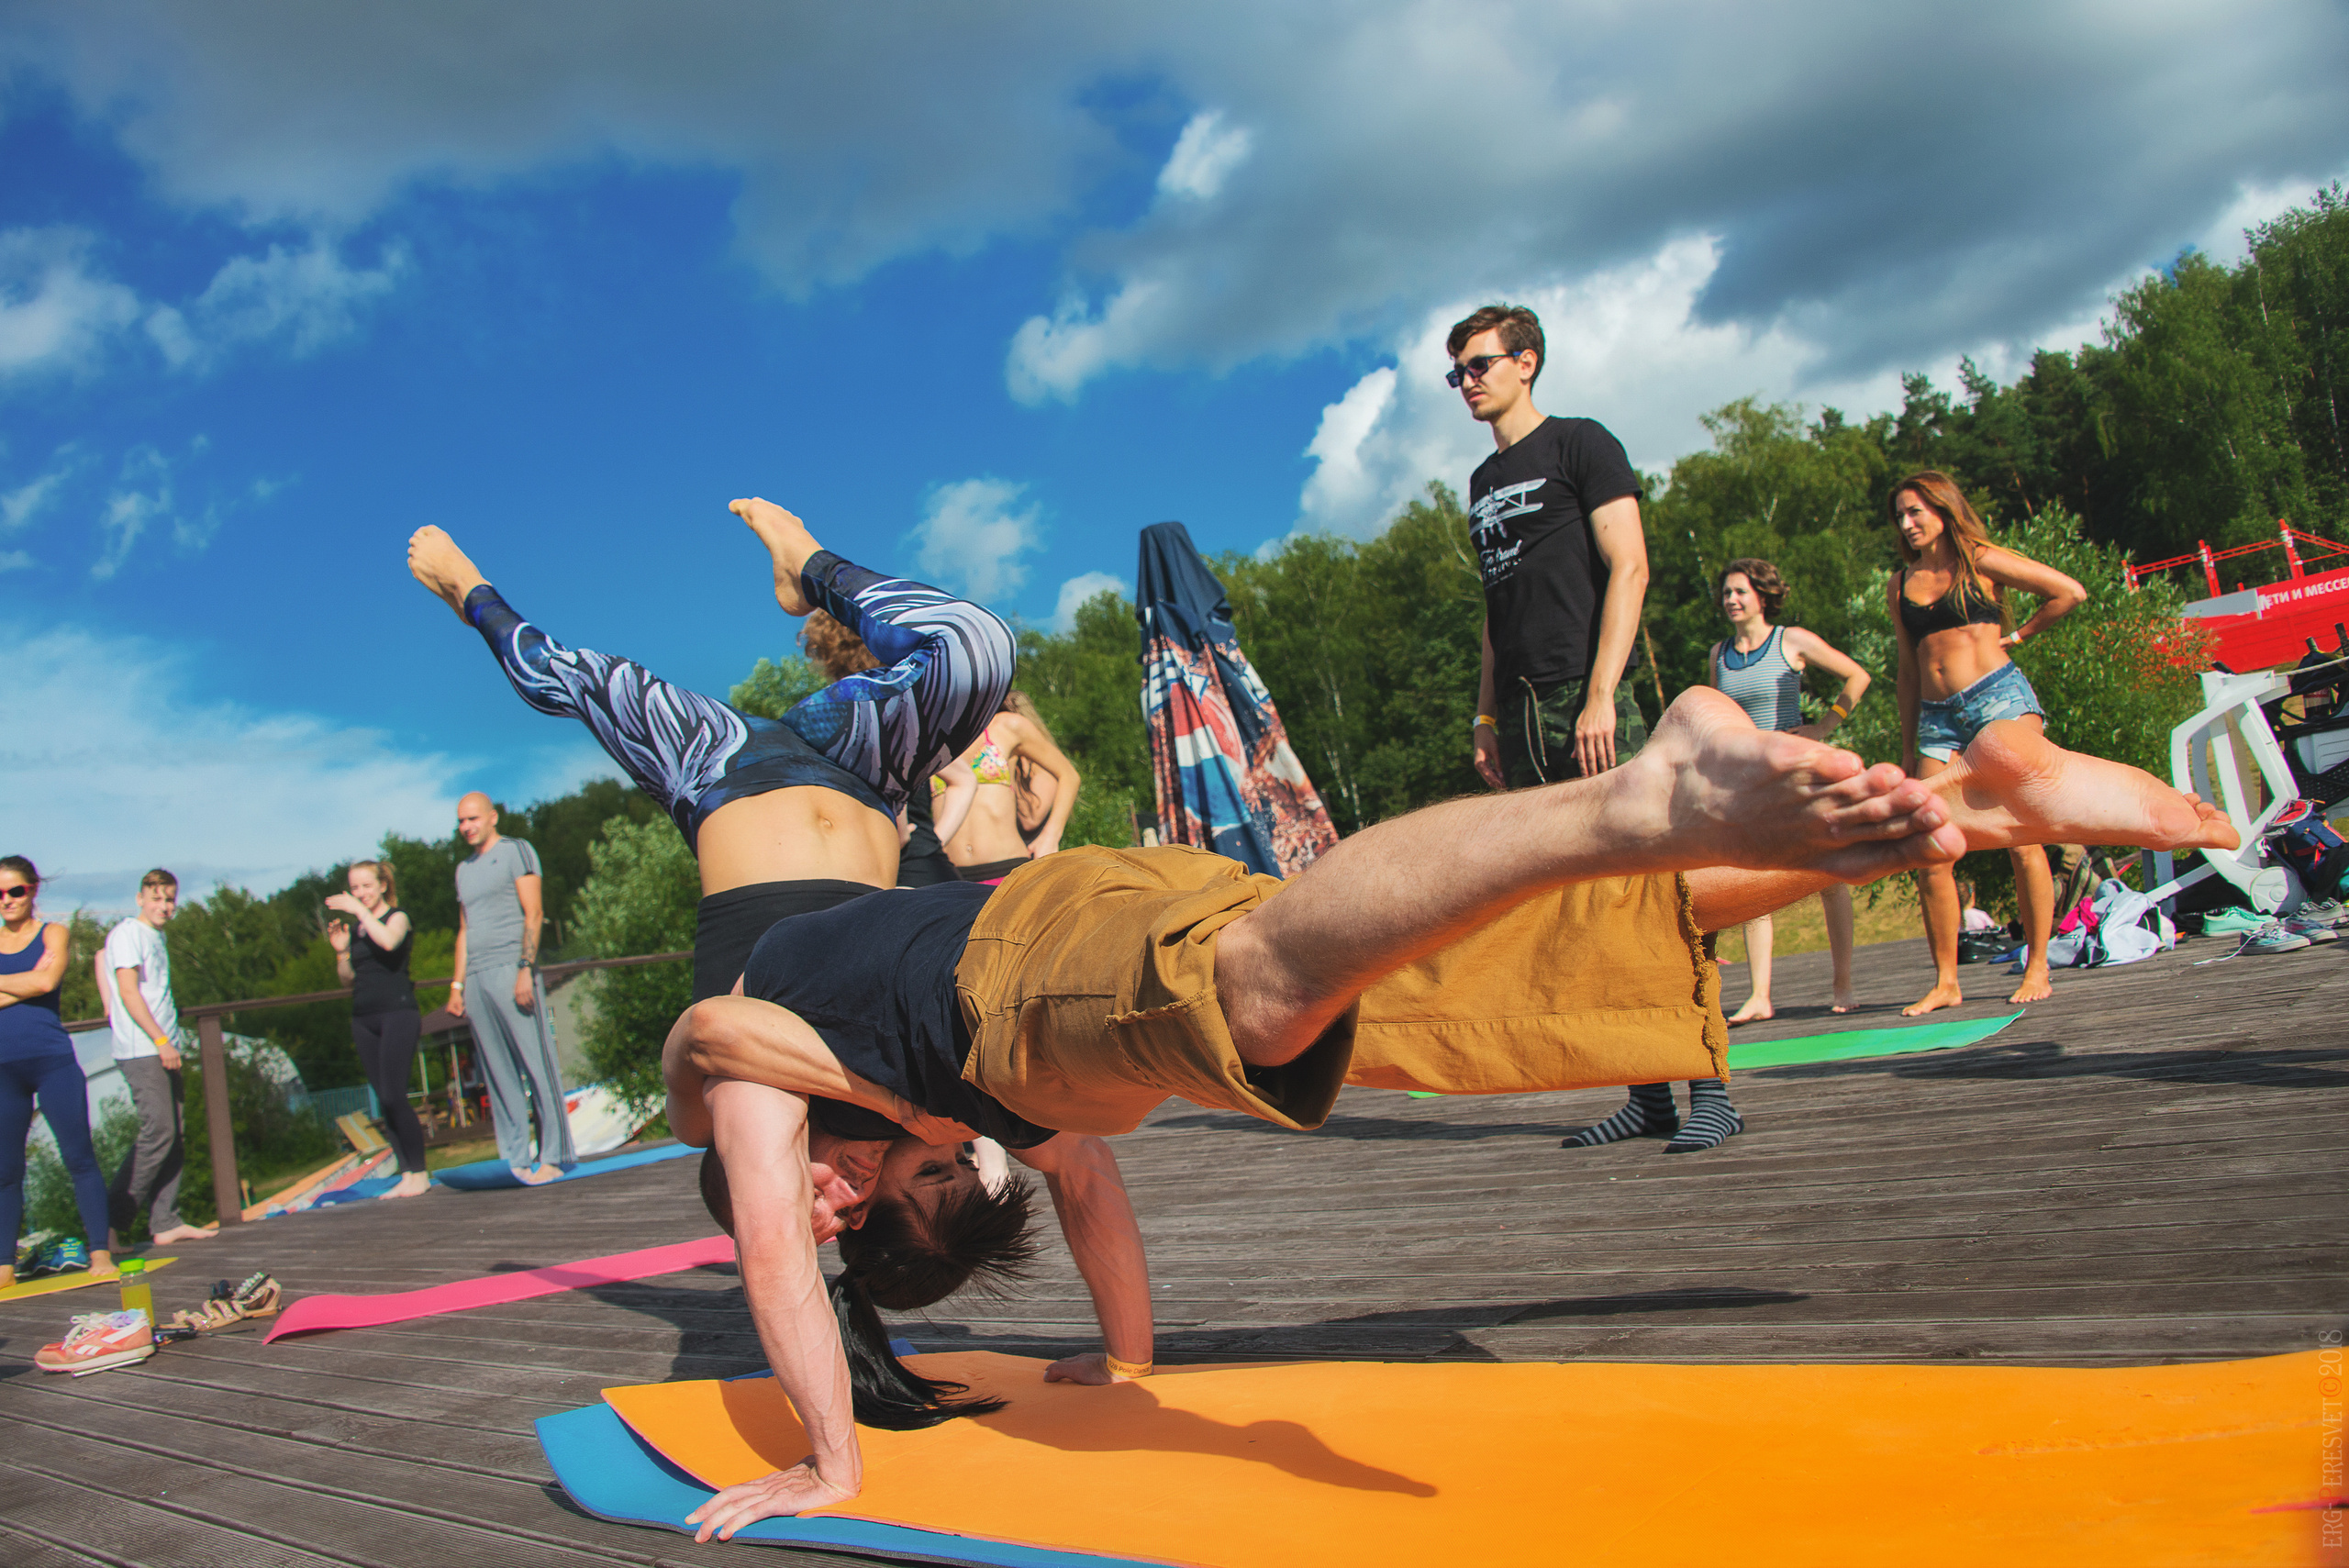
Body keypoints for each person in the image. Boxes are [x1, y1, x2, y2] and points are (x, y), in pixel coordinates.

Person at [660, 688, 2236, 1539]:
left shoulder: (747, 1087)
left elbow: (773, 1252)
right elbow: (1087, 1192)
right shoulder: (936, 1086)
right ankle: (1967, 802)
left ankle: (1637, 796)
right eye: (898, 1195)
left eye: (850, 1201)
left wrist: (830, 1459)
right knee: (1470, 994)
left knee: (1260, 996)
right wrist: (1128, 1357)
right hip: (1078, 920)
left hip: (1024, 957)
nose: (837, 1198)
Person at [408, 498, 1013, 1008]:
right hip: (849, 793)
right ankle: (810, 568)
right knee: (979, 647)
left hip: (729, 766)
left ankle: (473, 593)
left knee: (573, 676)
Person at [1888, 472, 2087, 1014]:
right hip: (1937, 720)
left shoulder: (1979, 560)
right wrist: (1906, 747)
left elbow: (2068, 592)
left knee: (2019, 836)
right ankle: (1946, 982)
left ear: (1943, 509)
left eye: (1916, 511)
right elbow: (1907, 669)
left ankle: (2038, 964)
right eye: (1900, 515)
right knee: (1931, 846)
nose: (1907, 523)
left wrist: (2019, 635)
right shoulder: (1899, 583)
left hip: (1997, 701)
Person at [1711, 558, 1872, 1025]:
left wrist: (1824, 727)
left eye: (1740, 591)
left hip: (1798, 774)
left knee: (1827, 878)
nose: (1732, 600)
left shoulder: (1791, 641)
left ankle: (1843, 983)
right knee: (1754, 886)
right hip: (1748, 783)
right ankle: (1759, 996)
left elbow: (1858, 676)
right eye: (1727, 592)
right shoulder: (1718, 654)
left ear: (1762, 596)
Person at [447, 794, 573, 1184]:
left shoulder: (517, 851)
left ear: (492, 817)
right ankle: (515, 1158)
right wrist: (457, 985)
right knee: (498, 1073)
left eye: (473, 818)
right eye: (461, 821)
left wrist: (524, 969)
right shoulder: (463, 870)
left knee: (537, 1065)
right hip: (477, 976)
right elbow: (464, 929)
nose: (467, 827)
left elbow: (534, 913)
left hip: (512, 967)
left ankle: (554, 1155)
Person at [0, 857, 115, 1286]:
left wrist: (31, 980)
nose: (7, 900)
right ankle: (4, 1266)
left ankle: (100, 1251)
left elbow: (47, 983)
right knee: (6, 1171)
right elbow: (36, 980)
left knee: (79, 1158)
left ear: (32, 890)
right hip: (3, 1071)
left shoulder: (54, 933)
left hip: (53, 1063)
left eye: (16, 890)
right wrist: (29, 979)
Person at [797, 608, 969, 889]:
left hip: (900, 877)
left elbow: (898, 832)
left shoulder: (852, 714)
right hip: (932, 869)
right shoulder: (907, 707)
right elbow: (964, 779)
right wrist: (934, 841)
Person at [100, 869, 215, 1248]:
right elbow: (129, 991)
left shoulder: (154, 935)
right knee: (159, 1132)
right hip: (144, 1048)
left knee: (175, 1133)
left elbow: (103, 961)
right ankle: (108, 1225)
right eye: (156, 898)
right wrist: (161, 1040)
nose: (164, 906)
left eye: (169, 900)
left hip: (163, 1045)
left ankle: (165, 1220)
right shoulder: (129, 933)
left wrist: (168, 1041)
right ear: (140, 899)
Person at [326, 860, 431, 1200]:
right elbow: (348, 980)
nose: (360, 893)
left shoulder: (397, 918)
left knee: (393, 1095)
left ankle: (420, 1173)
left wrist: (359, 910)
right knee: (383, 1101)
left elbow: (388, 942)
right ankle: (407, 1173)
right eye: (354, 888)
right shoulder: (359, 929)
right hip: (364, 1018)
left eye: (366, 886)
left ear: (383, 885)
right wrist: (342, 952)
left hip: (397, 1014)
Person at [939, 694, 1082, 884]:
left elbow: (1069, 775)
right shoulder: (932, 733)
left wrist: (1051, 836)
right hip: (946, 875)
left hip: (1006, 871)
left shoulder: (1007, 725)